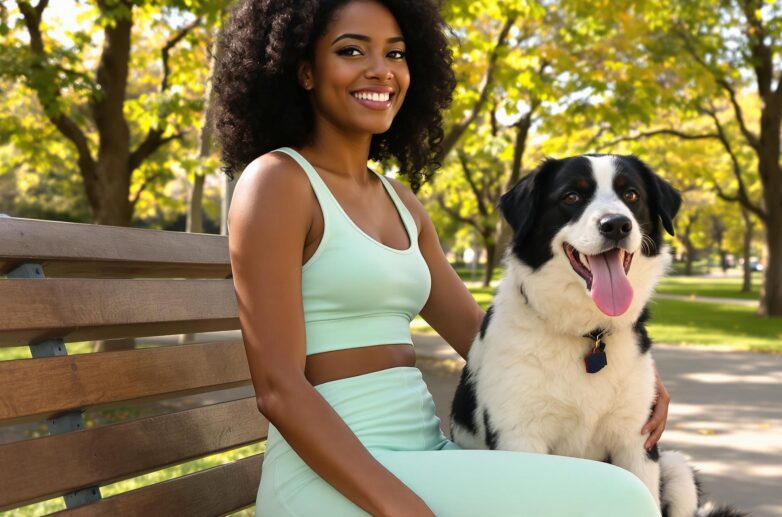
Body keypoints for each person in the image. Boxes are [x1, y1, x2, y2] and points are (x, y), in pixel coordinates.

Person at [214, 1, 669, 515]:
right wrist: (398, 505)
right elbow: (278, 389)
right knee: (618, 498)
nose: (380, 70)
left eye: (396, 53)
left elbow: (491, 338)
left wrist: (627, 371)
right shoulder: (277, 182)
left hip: (425, 455)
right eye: (351, 50)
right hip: (332, 477)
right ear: (302, 70)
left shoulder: (401, 203)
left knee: (618, 482)